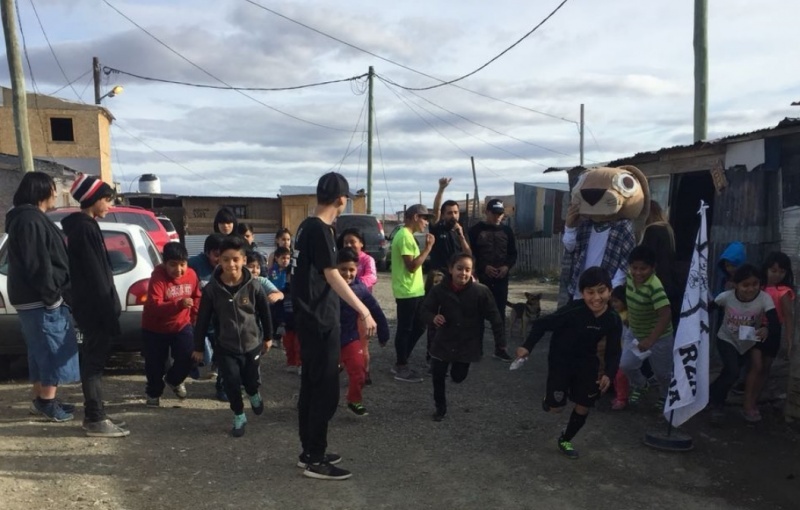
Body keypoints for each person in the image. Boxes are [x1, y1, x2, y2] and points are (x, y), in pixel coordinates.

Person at [292, 172, 377, 481]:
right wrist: (363, 308)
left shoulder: (306, 226)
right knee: (324, 391)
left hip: (310, 319)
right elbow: (332, 274)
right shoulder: (320, 230)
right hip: (319, 321)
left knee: (312, 388)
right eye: (347, 198)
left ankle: (310, 451)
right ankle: (315, 458)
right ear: (342, 199)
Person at [515, 266, 622, 459]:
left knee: (584, 404)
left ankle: (565, 439)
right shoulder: (573, 310)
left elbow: (614, 351)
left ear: (610, 291)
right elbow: (542, 324)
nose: (596, 298)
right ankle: (549, 401)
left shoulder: (613, 319)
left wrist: (609, 374)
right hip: (561, 360)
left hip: (587, 363)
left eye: (601, 291)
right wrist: (527, 346)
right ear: (582, 293)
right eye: (590, 292)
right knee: (556, 408)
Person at [5, 172, 79, 422]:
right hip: (40, 299)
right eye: (52, 189)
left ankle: (42, 399)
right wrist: (52, 297)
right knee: (51, 349)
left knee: (39, 350)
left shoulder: (26, 218)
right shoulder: (30, 220)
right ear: (40, 192)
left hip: (32, 299)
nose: (56, 194)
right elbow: (38, 264)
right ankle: (47, 401)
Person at [62, 173, 129, 438]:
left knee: (94, 361)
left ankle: (97, 414)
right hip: (95, 307)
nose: (109, 206)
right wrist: (109, 310)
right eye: (106, 200)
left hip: (88, 305)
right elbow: (96, 274)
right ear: (94, 200)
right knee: (94, 364)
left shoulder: (81, 226)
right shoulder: (85, 228)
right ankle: (95, 418)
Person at [192, 236, 273, 437]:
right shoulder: (212, 289)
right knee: (231, 382)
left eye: (236, 259)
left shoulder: (254, 286)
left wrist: (268, 337)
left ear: (244, 260)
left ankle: (254, 393)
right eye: (226, 259)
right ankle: (238, 415)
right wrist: (198, 347)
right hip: (225, 346)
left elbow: (264, 312)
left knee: (251, 380)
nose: (231, 264)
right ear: (219, 261)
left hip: (252, 343)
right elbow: (203, 319)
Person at [420, 253, 504, 422]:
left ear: (472, 272)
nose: (463, 273)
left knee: (458, 376)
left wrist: (500, 343)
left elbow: (495, 317)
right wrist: (433, 318)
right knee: (438, 374)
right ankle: (440, 408)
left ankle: (458, 373)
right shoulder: (439, 290)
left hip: (468, 342)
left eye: (467, 270)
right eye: (459, 268)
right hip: (443, 340)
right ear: (451, 269)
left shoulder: (481, 292)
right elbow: (424, 310)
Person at [709, 264, 780, 425]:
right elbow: (708, 308)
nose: (750, 289)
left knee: (729, 373)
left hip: (747, 343)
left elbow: (775, 321)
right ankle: (717, 405)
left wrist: (766, 328)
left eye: (754, 284)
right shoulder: (726, 297)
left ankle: (711, 394)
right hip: (726, 339)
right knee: (733, 372)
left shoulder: (764, 298)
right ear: (736, 284)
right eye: (745, 285)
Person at [141, 242, 201, 407]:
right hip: (154, 328)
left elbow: (197, 296)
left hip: (181, 325)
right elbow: (154, 306)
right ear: (164, 263)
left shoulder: (191, 275)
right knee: (154, 364)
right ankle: (154, 392)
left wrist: (195, 316)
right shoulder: (158, 277)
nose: (179, 270)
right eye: (173, 265)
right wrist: (178, 304)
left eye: (182, 264)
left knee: (190, 355)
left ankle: (174, 380)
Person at [618, 246, 674, 409]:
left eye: (643, 269)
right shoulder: (628, 277)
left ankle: (665, 395)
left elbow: (666, 315)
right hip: (634, 332)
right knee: (625, 365)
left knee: (663, 373)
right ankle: (642, 385)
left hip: (659, 338)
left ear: (653, 268)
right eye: (634, 268)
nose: (638, 273)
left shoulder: (655, 287)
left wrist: (650, 340)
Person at [336, 248, 390, 417]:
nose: (347, 273)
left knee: (359, 370)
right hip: (327, 339)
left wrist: (384, 333)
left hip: (349, 337)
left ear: (357, 269)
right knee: (322, 376)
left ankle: (354, 400)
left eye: (351, 269)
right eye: (342, 269)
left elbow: (376, 311)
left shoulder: (361, 289)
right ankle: (313, 401)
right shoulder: (325, 286)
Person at [390, 204, 435, 383]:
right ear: (415, 217)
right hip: (407, 291)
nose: (426, 223)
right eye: (424, 218)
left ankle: (402, 360)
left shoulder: (408, 236)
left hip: (414, 290)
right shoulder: (405, 236)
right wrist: (428, 248)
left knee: (419, 326)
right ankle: (401, 366)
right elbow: (412, 266)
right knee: (405, 328)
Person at [749, 252, 795, 421]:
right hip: (756, 329)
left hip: (774, 332)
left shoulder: (783, 292)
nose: (777, 274)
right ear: (766, 269)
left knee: (765, 368)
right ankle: (749, 403)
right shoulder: (756, 286)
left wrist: (789, 340)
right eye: (773, 270)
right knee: (757, 365)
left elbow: (788, 316)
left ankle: (753, 402)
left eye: (781, 271)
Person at [468, 198, 516, 361]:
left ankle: (500, 348)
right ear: (486, 212)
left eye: (500, 214)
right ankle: (476, 349)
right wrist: (482, 267)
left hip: (501, 279)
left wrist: (506, 267)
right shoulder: (475, 230)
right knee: (478, 314)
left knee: (499, 315)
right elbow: (470, 254)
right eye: (494, 213)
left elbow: (513, 254)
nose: (497, 217)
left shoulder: (507, 231)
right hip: (482, 279)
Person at [188, 233, 226, 394]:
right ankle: (192, 367)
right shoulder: (194, 264)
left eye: (222, 256)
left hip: (219, 317)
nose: (219, 260)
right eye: (216, 255)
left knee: (222, 346)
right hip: (198, 315)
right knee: (195, 346)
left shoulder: (228, 267)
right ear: (207, 253)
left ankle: (221, 382)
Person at [639, 201, 679, 325]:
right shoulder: (667, 228)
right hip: (669, 283)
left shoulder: (652, 230)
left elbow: (645, 258)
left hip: (655, 285)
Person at [429, 177, 471, 273]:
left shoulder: (461, 230)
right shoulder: (438, 227)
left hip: (457, 275)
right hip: (440, 273)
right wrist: (441, 189)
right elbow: (436, 210)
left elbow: (468, 255)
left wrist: (461, 236)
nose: (453, 216)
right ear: (443, 215)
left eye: (456, 212)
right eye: (450, 213)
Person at [609, 286, 632, 411]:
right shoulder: (616, 315)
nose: (614, 304)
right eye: (612, 301)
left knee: (620, 376)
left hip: (625, 351)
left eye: (616, 301)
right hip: (617, 350)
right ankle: (620, 396)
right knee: (616, 374)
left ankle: (622, 399)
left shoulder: (627, 317)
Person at [337, 228, 378, 292]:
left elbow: (372, 277)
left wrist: (353, 284)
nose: (348, 245)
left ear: (361, 243)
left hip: (361, 296)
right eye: (346, 242)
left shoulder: (367, 259)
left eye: (352, 242)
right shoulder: (339, 258)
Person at [423, 270, 445, 367]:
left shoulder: (447, 296)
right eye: (435, 282)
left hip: (444, 324)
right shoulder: (429, 297)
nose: (438, 284)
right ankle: (430, 360)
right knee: (432, 340)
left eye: (441, 282)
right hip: (432, 323)